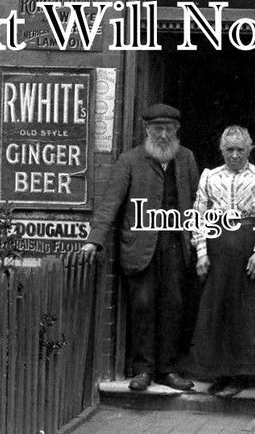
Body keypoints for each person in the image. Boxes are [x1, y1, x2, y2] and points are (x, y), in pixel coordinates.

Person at [81, 103, 200, 392]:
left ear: (177, 130)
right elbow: (111, 202)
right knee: (142, 305)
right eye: (158, 129)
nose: (163, 135)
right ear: (147, 129)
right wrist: (94, 239)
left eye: (169, 129)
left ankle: (168, 370)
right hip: (139, 246)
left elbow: (199, 203)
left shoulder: (186, 158)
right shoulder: (130, 160)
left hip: (175, 245)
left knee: (173, 306)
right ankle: (143, 370)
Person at [189, 125, 255, 398]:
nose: (235, 155)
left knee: (245, 311)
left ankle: (241, 376)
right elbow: (198, 215)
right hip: (217, 251)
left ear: (249, 149)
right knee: (218, 310)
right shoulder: (210, 176)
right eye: (230, 150)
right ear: (222, 150)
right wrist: (201, 251)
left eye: (240, 149)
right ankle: (220, 374)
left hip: (247, 249)